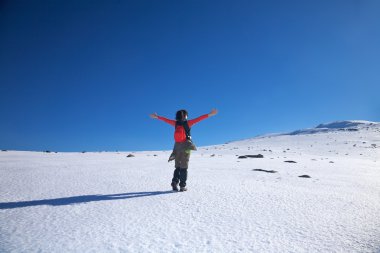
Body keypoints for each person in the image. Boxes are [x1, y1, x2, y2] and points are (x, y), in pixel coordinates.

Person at [150, 109, 218, 191]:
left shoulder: (175, 123)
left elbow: (166, 120)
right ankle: (182, 186)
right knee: (184, 166)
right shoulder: (188, 123)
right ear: (185, 116)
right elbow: (199, 118)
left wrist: (157, 117)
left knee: (177, 166)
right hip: (186, 146)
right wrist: (210, 114)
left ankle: (175, 182)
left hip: (177, 147)